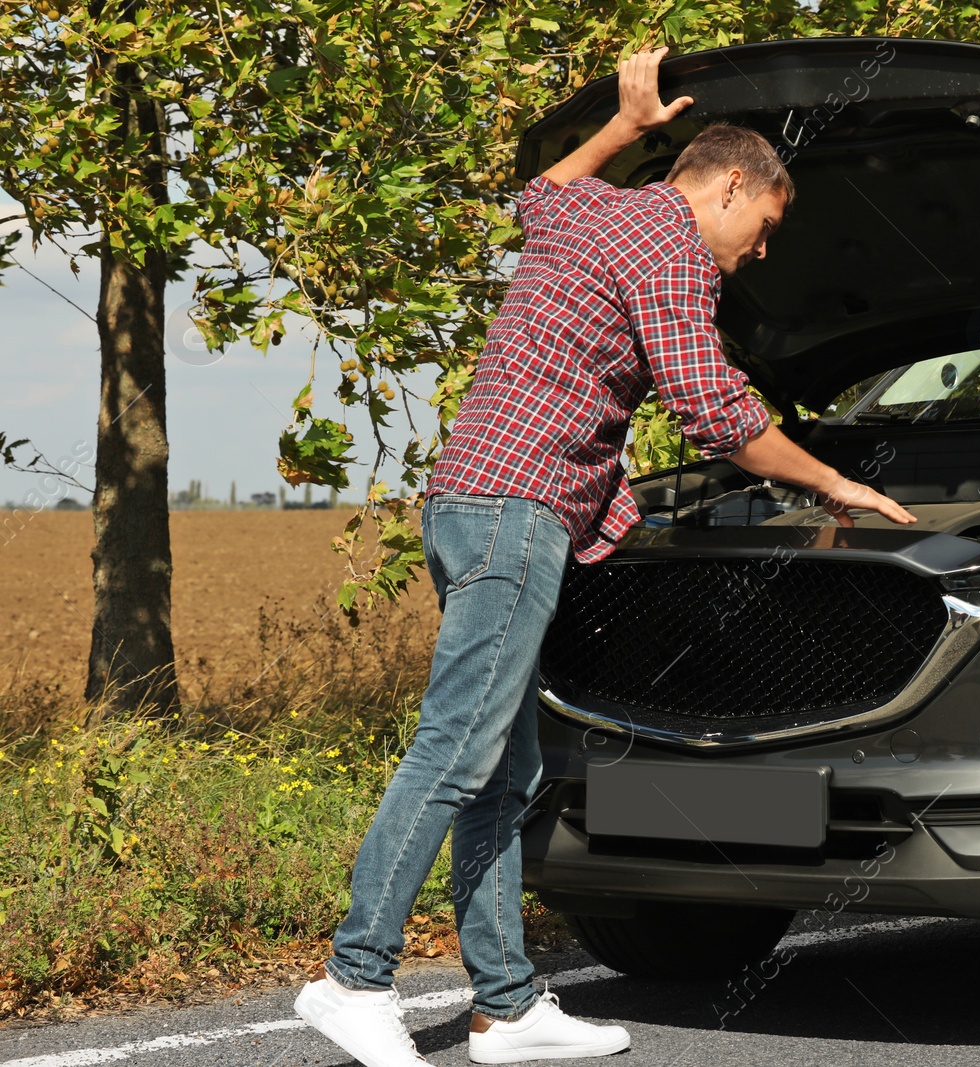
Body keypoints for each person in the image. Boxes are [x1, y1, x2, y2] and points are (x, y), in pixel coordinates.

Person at [294, 45, 914, 1067]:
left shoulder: (598, 212)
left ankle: (504, 1006)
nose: (763, 253)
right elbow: (712, 408)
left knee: (504, 764)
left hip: (473, 502)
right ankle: (353, 977)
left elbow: (537, 193)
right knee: (458, 747)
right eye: (768, 225)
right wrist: (833, 481)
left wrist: (625, 128)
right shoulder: (668, 244)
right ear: (727, 187)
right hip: (515, 506)